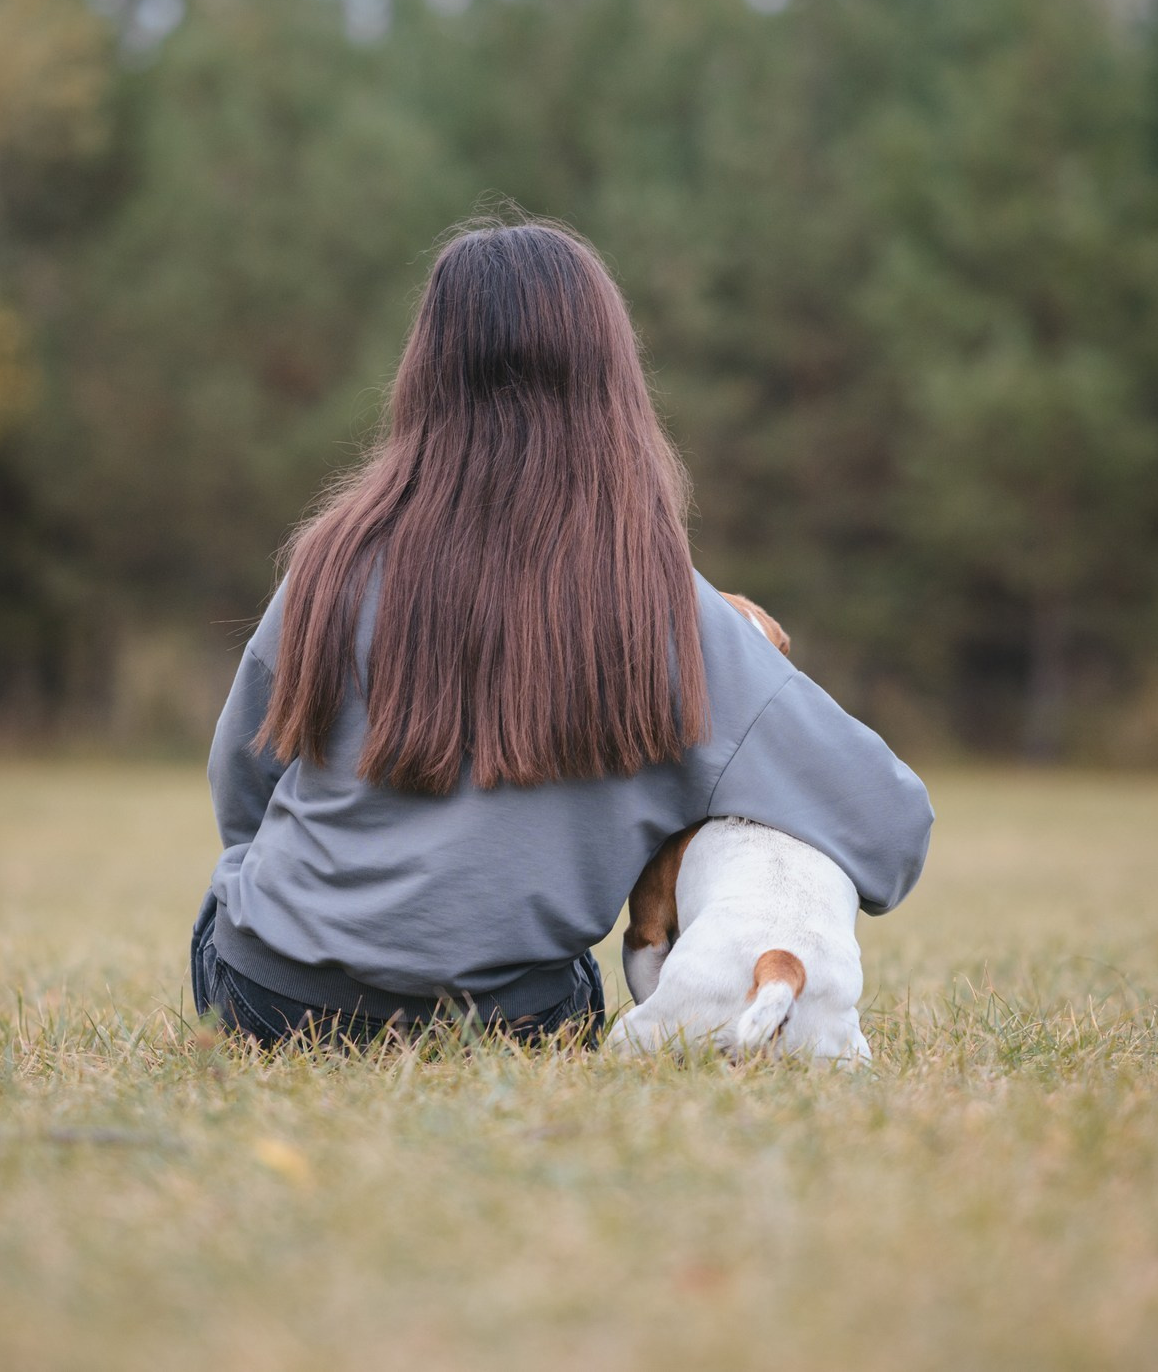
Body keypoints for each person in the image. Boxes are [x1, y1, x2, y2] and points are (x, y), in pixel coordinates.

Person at [193, 217, 932, 1044]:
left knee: (230, 903)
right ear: (612, 386)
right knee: (568, 972)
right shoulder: (666, 608)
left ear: (423, 377)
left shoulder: (330, 559)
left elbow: (243, 780)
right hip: (509, 1020)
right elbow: (890, 824)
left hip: (270, 997)